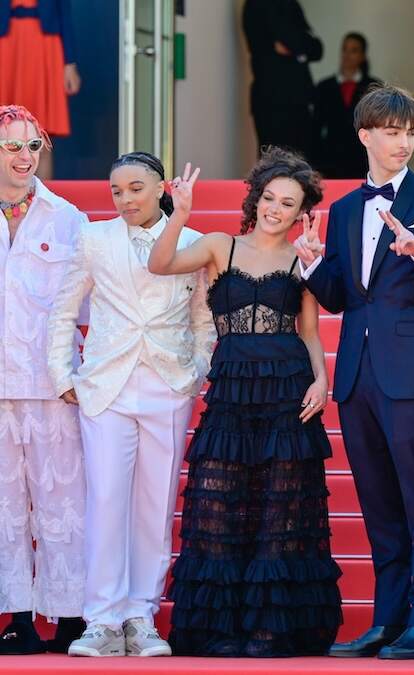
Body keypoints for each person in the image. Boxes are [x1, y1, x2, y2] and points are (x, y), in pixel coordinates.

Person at [145, 151, 342, 657]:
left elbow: (311, 333)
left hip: (287, 392)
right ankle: (220, 630)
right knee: (217, 504)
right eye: (271, 198)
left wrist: (323, 382)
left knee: (281, 513)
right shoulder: (219, 246)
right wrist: (181, 215)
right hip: (231, 392)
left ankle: (270, 631)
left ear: (302, 211)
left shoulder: (302, 258)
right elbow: (160, 263)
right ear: (256, 197)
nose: (276, 209)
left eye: (289, 203)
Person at [293, 85, 414, 661]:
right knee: (377, 503)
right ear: (365, 135)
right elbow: (340, 298)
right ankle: (387, 620)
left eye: (410, 132)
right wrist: (313, 263)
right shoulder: (342, 210)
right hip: (356, 375)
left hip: (409, 372)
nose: (403, 142)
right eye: (392, 131)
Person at [46, 151, 216, 657]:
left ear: (162, 187)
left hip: (168, 382)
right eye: (117, 190)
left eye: (136, 188)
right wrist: (63, 373)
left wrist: (196, 372)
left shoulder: (192, 243)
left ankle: (141, 614)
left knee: (154, 504)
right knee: (105, 501)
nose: (125, 199)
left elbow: (203, 320)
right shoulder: (94, 238)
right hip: (107, 384)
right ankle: (101, 619)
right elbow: (63, 309)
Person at [0, 104, 87, 655]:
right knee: (4, 505)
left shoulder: (67, 217)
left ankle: (73, 617)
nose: (25, 156)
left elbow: (89, 303)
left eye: (34, 145)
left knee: (63, 501)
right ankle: (19, 616)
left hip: (52, 383)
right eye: (13, 146)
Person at [0, 0, 81, 179]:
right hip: (5, 45)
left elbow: (64, 16)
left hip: (44, 46)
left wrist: (69, 63)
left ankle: (42, 202)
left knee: (40, 134)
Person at [242, 0, 323, 156]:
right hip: (271, 99)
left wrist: (296, 48)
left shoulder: (291, 4)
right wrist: (299, 46)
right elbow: (289, 39)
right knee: (273, 161)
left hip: (299, 99)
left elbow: (317, 48)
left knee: (301, 160)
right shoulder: (257, 5)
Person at [313, 32, 381, 178]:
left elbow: (379, 127)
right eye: (345, 49)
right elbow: (315, 128)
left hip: (364, 161)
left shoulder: (373, 87)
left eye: (354, 50)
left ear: (363, 56)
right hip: (331, 162)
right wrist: (316, 163)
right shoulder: (324, 87)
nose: (347, 55)